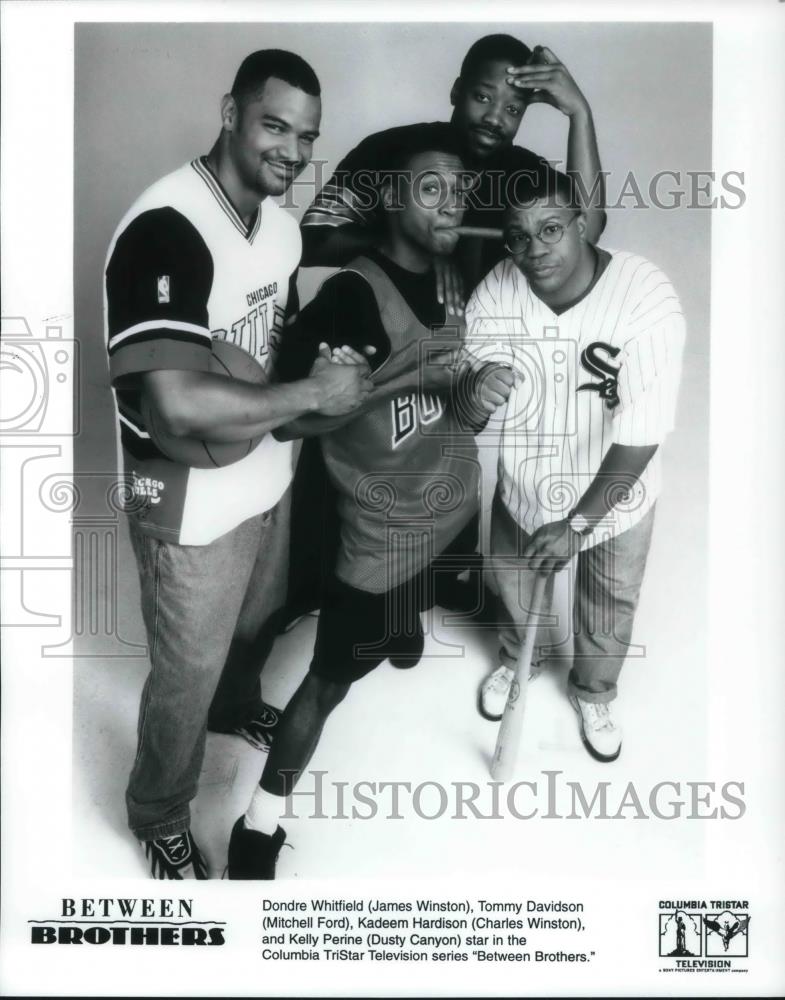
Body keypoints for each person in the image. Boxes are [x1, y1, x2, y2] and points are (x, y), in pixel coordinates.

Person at [104, 49, 372, 879]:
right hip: (187, 497)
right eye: (274, 125)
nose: (291, 149)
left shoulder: (284, 228)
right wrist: (307, 396)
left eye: (307, 135)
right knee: (182, 678)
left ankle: (236, 703)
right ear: (229, 112)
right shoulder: (166, 227)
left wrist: (314, 364)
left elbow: (267, 348)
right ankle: (157, 811)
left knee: (254, 624)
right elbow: (175, 404)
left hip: (264, 478)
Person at [226, 124, 515, 879]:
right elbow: (290, 419)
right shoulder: (351, 300)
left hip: (448, 510)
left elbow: (450, 387)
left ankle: (402, 625)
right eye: (431, 187)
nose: (452, 201)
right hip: (382, 539)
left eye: (459, 188)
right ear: (391, 198)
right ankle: (258, 828)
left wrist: (471, 391)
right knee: (326, 687)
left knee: (409, 621)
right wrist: (407, 381)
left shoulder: (454, 275)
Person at [286, 32, 606, 624]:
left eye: (514, 108)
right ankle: (314, 592)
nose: (496, 117)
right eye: (484, 97)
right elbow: (312, 236)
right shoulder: (396, 149)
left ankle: (431, 586)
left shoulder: (520, 173)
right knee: (343, 454)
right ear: (457, 92)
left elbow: (587, 224)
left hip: (451, 349)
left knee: (446, 459)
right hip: (378, 330)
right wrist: (418, 245)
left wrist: (578, 113)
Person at [465, 166, 685, 762]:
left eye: (551, 228)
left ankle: (593, 690)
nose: (534, 250)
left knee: (610, 601)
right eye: (518, 235)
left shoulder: (645, 294)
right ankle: (520, 657)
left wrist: (580, 524)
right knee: (513, 584)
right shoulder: (497, 288)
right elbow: (470, 396)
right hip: (528, 486)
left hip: (617, 497)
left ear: (582, 222)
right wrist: (477, 385)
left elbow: (642, 436)